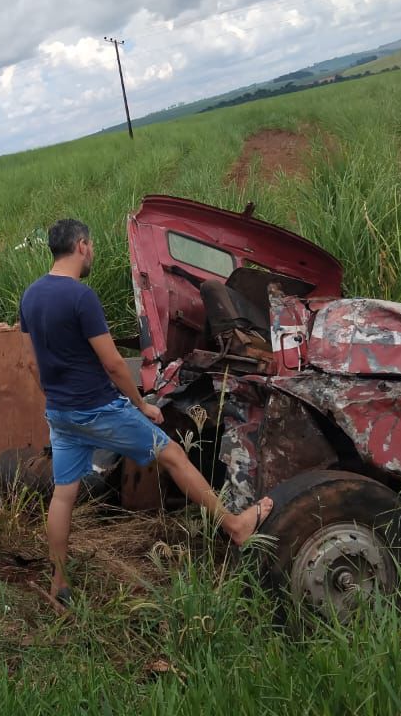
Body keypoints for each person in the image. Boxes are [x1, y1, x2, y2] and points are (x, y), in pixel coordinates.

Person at [19, 219, 275, 603]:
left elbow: (32, 363)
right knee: (172, 454)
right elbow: (114, 364)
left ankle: (58, 583)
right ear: (81, 245)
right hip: (98, 408)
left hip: (60, 412)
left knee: (63, 495)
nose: (92, 253)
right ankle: (235, 525)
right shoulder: (79, 297)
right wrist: (142, 407)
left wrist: (57, 396)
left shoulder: (31, 296)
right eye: (91, 246)